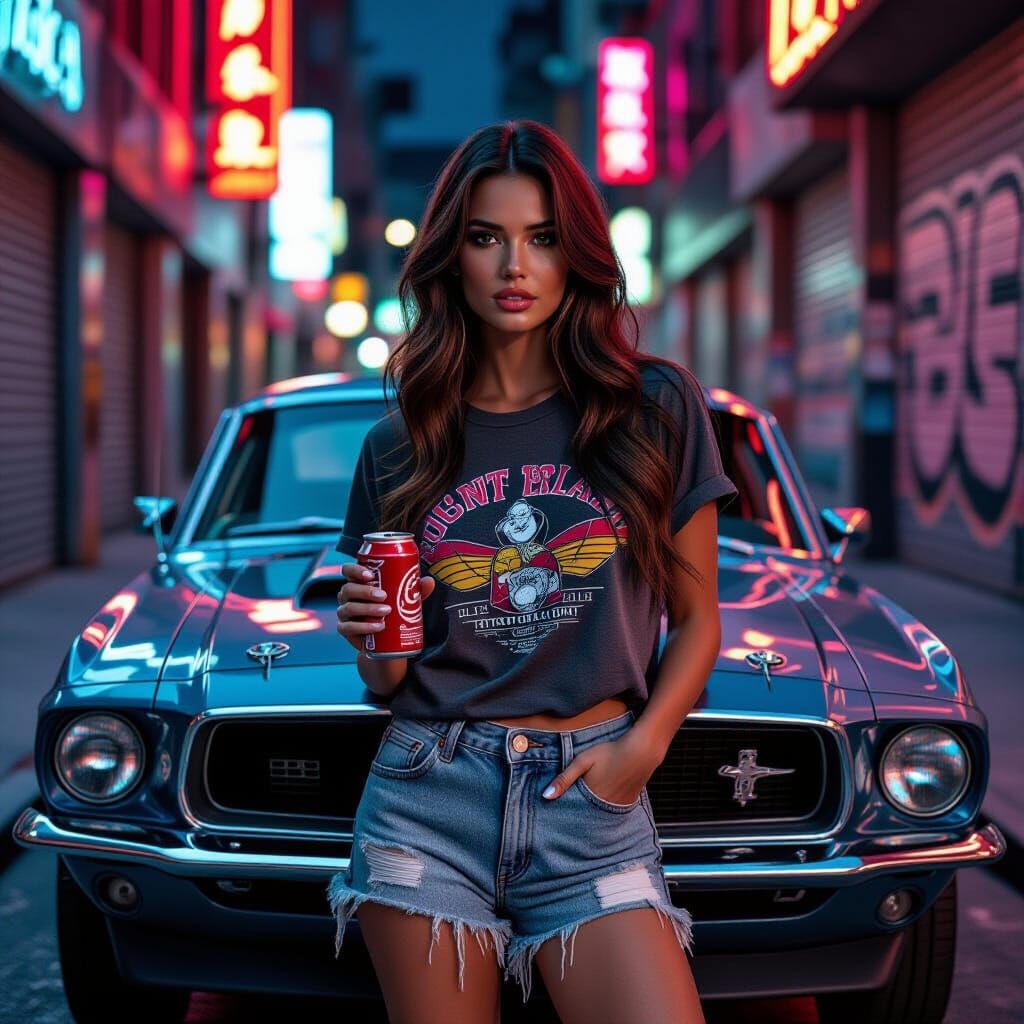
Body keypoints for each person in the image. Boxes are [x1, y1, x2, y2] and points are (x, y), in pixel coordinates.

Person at [331, 119, 738, 1024]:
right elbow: (388, 677)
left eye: (543, 238)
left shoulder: (656, 405)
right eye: (486, 237)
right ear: (453, 257)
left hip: (588, 797)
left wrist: (640, 752)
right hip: (427, 794)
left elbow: (700, 619)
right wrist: (367, 631)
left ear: (578, 254)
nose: (514, 265)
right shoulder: (399, 443)